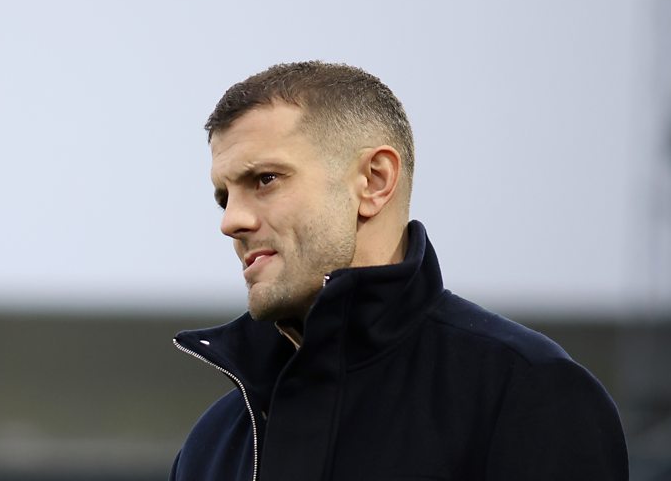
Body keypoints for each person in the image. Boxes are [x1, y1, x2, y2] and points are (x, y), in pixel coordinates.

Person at [170, 61, 628, 481]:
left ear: (374, 181)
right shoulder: (209, 448)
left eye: (265, 179)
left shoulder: (526, 394)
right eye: (224, 197)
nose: (231, 221)